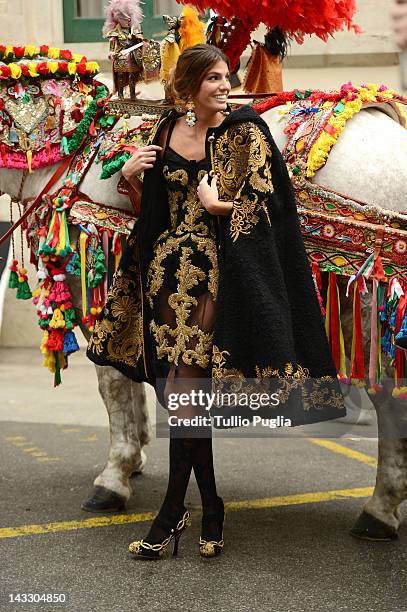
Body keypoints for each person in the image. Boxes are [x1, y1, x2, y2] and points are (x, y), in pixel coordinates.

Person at [87, 43, 345, 560]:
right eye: (213, 78)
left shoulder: (245, 131)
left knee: (186, 392)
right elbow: (152, 206)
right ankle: (209, 504)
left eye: (226, 76)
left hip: (216, 276)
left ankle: (168, 515)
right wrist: (133, 174)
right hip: (164, 273)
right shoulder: (166, 131)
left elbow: (269, 203)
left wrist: (218, 204)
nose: (225, 86)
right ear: (188, 88)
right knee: (182, 395)